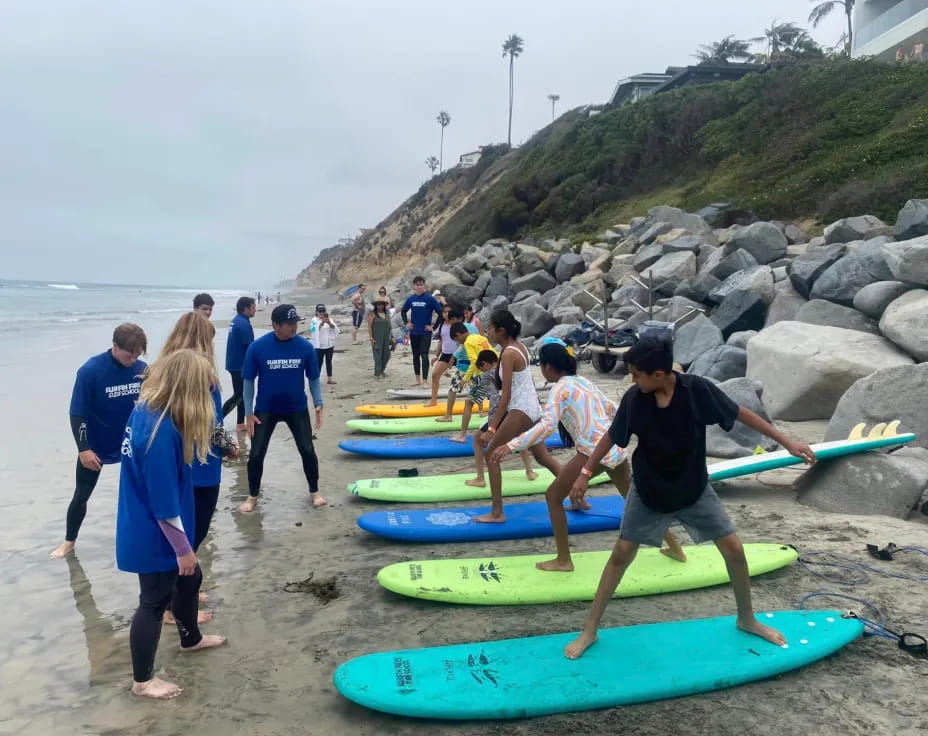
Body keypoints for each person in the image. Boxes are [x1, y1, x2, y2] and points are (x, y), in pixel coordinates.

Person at [562, 336, 816, 660]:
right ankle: (590, 630)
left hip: (692, 488)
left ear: (658, 374)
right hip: (650, 489)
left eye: (637, 374)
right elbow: (612, 436)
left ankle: (747, 619)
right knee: (621, 554)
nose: (633, 380)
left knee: (735, 550)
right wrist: (584, 474)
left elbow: (740, 413)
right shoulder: (635, 399)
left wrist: (787, 442)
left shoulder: (696, 391)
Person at [493, 342, 684, 572]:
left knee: (553, 496)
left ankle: (564, 560)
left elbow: (546, 426)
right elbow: (612, 407)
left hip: (594, 451)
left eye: (542, 365)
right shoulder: (584, 381)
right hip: (615, 447)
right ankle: (675, 546)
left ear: (549, 367)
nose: (542, 369)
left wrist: (511, 445)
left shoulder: (560, 389)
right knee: (635, 499)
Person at [116, 349, 226, 699]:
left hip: (148, 522)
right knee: (152, 601)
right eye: (205, 387)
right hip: (154, 533)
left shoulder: (146, 409)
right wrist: (183, 551)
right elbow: (163, 507)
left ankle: (190, 639)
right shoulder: (159, 432)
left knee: (191, 580)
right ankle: (143, 682)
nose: (210, 391)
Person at [51, 324, 148, 558]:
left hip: (131, 442)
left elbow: (150, 406)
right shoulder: (90, 371)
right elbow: (77, 413)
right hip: (96, 444)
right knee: (82, 494)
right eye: (129, 354)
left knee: (145, 490)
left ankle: (145, 534)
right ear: (115, 346)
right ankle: (69, 541)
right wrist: (84, 449)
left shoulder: (143, 370)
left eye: (138, 354)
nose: (133, 359)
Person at [473, 309, 559, 523]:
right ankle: (579, 494)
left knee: (491, 454)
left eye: (491, 329)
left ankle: (497, 512)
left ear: (501, 331)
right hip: (531, 408)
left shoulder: (509, 353)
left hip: (521, 409)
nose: (488, 333)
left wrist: (492, 428)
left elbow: (507, 394)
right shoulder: (518, 348)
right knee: (542, 457)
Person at [240, 305, 326, 512]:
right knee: (257, 454)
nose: (294, 327)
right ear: (276, 325)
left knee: (307, 449)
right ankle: (252, 497)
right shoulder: (258, 347)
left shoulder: (305, 347)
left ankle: (314, 492)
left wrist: (318, 403)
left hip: (296, 408)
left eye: (295, 322)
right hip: (265, 409)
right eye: (289, 324)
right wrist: (248, 413)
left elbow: (313, 378)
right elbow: (248, 381)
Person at [466, 350, 555, 488]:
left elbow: (496, 399)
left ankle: (480, 478)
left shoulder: (489, 375)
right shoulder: (512, 369)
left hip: (503, 413)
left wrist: (492, 426)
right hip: (520, 411)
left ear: (484, 364)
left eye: (481, 368)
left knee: (477, 440)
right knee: (519, 437)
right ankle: (529, 471)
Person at [443, 321, 492, 440]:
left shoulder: (468, 342)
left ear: (459, 335)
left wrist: (465, 379)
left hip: (483, 375)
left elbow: (475, 362)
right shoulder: (480, 338)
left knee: (468, 404)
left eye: (457, 340)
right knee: (495, 403)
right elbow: (492, 352)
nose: (459, 343)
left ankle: (462, 435)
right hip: (493, 373)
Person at [436, 310, 482, 426]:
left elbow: (463, 345)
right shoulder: (471, 327)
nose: (450, 323)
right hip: (477, 364)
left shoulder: (460, 330)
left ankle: (448, 415)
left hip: (464, 363)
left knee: (453, 389)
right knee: (475, 387)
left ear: (456, 319)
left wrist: (454, 356)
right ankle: (481, 411)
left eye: (451, 320)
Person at [222, 296, 256, 431]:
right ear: (245, 309)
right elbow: (250, 348)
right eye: (253, 307)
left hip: (234, 362)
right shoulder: (242, 324)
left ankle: (240, 424)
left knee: (241, 394)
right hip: (238, 365)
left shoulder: (237, 320)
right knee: (239, 395)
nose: (255, 310)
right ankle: (217, 419)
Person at [400, 276, 442, 386]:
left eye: (421, 284)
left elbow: (441, 313)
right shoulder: (411, 299)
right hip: (414, 332)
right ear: (414, 286)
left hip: (425, 333)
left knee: (424, 355)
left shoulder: (430, 299)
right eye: (417, 285)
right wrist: (407, 323)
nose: (419, 287)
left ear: (424, 285)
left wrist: (433, 327)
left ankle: (425, 381)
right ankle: (417, 379)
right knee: (415, 355)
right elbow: (403, 311)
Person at [426, 304, 461, 406]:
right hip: (445, 355)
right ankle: (433, 400)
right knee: (435, 375)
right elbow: (441, 341)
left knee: (463, 379)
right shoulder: (441, 325)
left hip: (458, 354)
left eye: (448, 312)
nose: (446, 314)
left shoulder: (456, 324)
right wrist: (436, 356)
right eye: (444, 312)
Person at [309, 306, 339, 385]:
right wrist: (321, 323)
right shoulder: (314, 320)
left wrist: (329, 323)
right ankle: (317, 379)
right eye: (320, 312)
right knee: (319, 362)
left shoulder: (329, 318)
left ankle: (329, 378)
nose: (322, 314)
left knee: (329, 361)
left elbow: (335, 329)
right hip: (320, 346)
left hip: (329, 344)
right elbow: (313, 331)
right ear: (317, 312)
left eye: (323, 312)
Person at [368, 296, 393, 377]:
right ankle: (377, 373)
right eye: (378, 304)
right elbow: (369, 326)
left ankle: (382, 370)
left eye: (382, 304)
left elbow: (390, 326)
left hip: (386, 338)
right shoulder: (373, 314)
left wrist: (392, 337)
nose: (380, 306)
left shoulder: (387, 313)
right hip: (377, 338)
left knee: (387, 355)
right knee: (378, 356)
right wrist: (371, 337)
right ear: (376, 305)